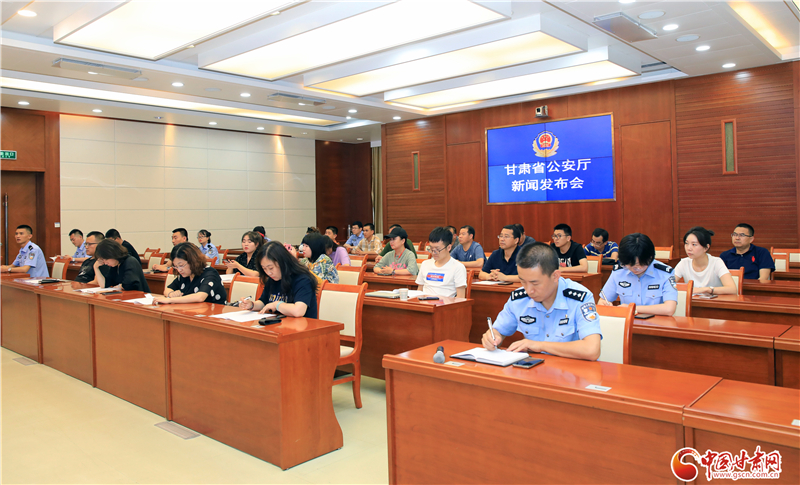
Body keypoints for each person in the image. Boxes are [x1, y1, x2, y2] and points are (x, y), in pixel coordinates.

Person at [481, 243, 601, 361]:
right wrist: (493, 337)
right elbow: (499, 331)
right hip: (533, 369)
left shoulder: (579, 298)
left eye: (535, 283)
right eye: (523, 281)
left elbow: (592, 350)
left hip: (571, 370)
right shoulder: (519, 299)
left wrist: (540, 346)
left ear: (555, 276)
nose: (529, 290)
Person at [598, 233, 677, 316]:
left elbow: (669, 309)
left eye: (638, 266)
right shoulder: (619, 272)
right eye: (629, 265)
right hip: (627, 322)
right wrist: (605, 304)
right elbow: (602, 300)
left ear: (650, 258)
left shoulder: (664, 273)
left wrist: (631, 308)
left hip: (657, 322)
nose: (633, 269)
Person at [238, 242, 318, 318]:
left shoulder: (303, 279)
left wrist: (276, 305)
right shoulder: (273, 278)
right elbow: (263, 302)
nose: (268, 273)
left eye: (271, 268)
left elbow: (298, 311)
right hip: (278, 323)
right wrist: (251, 305)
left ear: (282, 262)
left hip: (302, 325)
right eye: (264, 268)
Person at [154, 243, 226, 304]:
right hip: (193, 311)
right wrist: (171, 294)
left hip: (214, 313)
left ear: (193, 261)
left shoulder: (210, 273)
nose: (179, 270)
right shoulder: (185, 275)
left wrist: (170, 300)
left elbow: (200, 297)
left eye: (181, 265)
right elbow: (168, 289)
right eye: (176, 266)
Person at [675, 227, 737, 295]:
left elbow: (732, 289)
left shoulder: (716, 262)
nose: (689, 248)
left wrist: (705, 289)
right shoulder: (684, 263)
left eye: (694, 244)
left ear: (706, 248)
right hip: (692, 301)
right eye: (686, 243)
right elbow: (668, 284)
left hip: (713, 301)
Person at [416, 227, 467, 298]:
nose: (434, 252)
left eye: (437, 249)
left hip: (446, 304)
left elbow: (460, 297)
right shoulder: (425, 264)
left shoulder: (458, 267)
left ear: (449, 248)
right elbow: (419, 290)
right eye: (431, 249)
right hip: (424, 303)